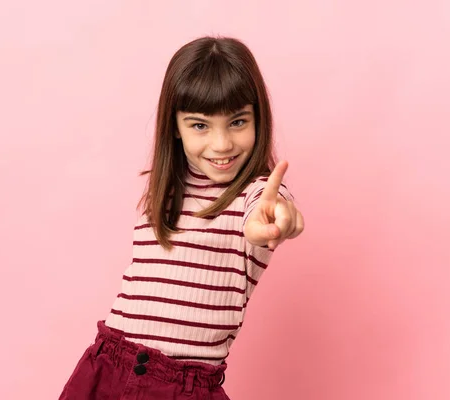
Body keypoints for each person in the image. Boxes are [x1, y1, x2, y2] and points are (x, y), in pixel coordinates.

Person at [59, 35, 304, 400]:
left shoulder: (256, 193)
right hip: (109, 363)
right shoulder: (166, 189)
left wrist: (279, 220)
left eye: (237, 122)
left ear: (259, 119)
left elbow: (272, 211)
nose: (221, 144)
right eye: (200, 125)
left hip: (182, 387)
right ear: (175, 126)